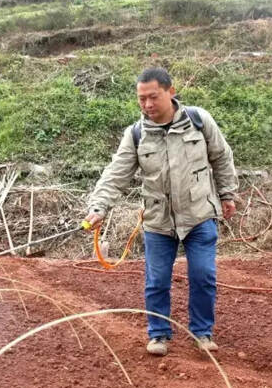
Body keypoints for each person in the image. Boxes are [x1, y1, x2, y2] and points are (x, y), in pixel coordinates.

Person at [85, 67, 238, 356]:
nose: (147, 105)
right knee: (156, 281)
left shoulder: (199, 121)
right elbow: (116, 174)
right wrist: (99, 207)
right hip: (158, 220)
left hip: (199, 214)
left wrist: (227, 194)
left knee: (203, 275)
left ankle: (202, 332)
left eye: (153, 97)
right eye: (141, 99)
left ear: (171, 91)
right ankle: (159, 334)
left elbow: (222, 156)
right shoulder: (137, 134)